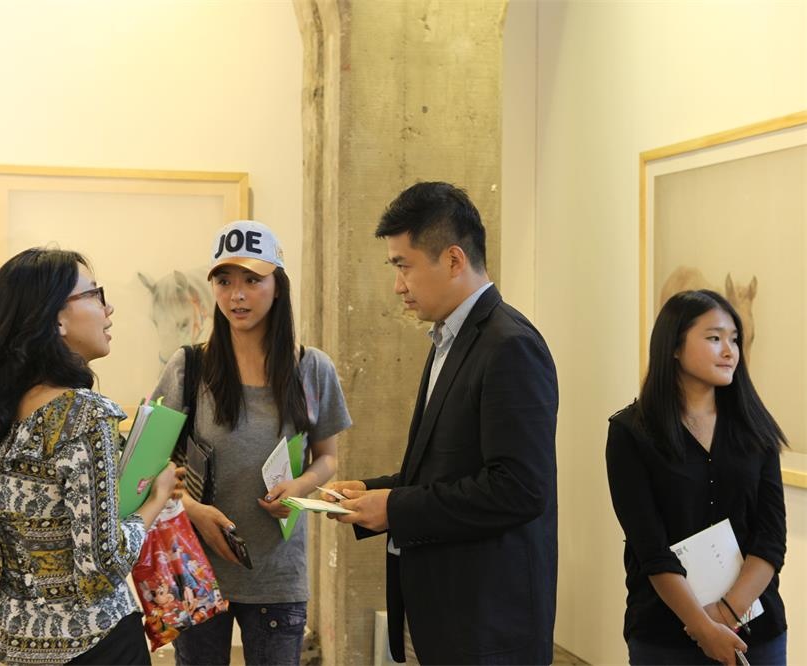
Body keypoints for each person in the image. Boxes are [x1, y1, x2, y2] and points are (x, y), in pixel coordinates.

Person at [326, 182, 559, 664]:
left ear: (453, 260)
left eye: (403, 266)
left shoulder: (509, 345)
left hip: (486, 626)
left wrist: (395, 508)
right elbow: (450, 471)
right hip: (445, 615)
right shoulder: (451, 338)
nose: (398, 286)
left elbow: (518, 489)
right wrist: (373, 492)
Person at [0, 248, 181, 665]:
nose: (108, 309)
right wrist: (156, 499)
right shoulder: (85, 414)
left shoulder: (0, 410)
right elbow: (103, 565)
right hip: (95, 641)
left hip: (22, 642)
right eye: (94, 294)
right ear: (56, 319)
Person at [150, 220, 351, 666]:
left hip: (278, 576)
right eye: (224, 281)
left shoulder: (312, 368)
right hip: (198, 573)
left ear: (278, 287)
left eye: (252, 281)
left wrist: (298, 489)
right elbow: (148, 466)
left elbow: (327, 458)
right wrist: (192, 510)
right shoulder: (189, 367)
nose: (237, 295)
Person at [605, 289, 788, 666]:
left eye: (734, 339)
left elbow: (771, 539)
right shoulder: (631, 433)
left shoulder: (756, 429)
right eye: (714, 338)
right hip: (665, 634)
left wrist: (724, 615)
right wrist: (702, 627)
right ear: (674, 346)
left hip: (756, 631)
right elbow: (651, 549)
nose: (730, 351)